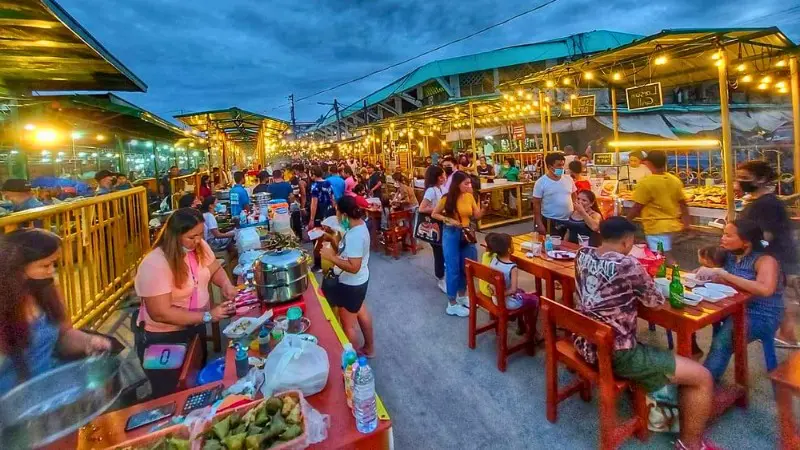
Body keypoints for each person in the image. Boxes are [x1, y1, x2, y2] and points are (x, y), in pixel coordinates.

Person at [574, 217, 715, 450]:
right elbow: (655, 301)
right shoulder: (627, 264)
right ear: (628, 241)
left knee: (651, 352)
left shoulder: (583, 254)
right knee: (702, 377)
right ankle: (691, 444)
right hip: (616, 353)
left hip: (585, 341)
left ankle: (659, 404)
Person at [134, 208, 237, 398]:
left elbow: (214, 269)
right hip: (164, 339)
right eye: (192, 237)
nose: (198, 240)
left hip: (193, 327)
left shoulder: (198, 247)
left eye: (200, 234)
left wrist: (226, 285)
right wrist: (207, 316)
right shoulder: (155, 264)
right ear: (175, 236)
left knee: (194, 378)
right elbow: (160, 312)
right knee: (171, 392)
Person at [0, 229, 112, 396]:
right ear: (17, 268)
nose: (52, 271)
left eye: (54, 264)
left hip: (53, 383)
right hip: (13, 398)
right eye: (45, 265)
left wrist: (88, 341)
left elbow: (63, 336)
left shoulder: (48, 290)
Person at [698, 220, 783, 381]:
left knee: (722, 342)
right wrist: (707, 271)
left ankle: (701, 386)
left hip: (762, 314)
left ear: (746, 242)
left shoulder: (764, 260)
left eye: (728, 235)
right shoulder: (730, 256)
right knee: (692, 318)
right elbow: (712, 268)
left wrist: (725, 275)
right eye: (723, 234)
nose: (722, 238)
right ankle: (696, 364)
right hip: (733, 307)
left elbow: (765, 289)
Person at [736, 160, 799, 348]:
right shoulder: (760, 201)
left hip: (778, 258)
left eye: (745, 178)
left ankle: (788, 337)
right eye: (739, 177)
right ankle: (787, 335)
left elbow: (766, 235)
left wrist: (752, 248)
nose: (740, 181)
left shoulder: (765, 204)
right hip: (781, 257)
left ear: (762, 179)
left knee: (783, 299)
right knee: (784, 298)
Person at [320, 196, 374, 357]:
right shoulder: (355, 227)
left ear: (344, 214)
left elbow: (353, 266)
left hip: (352, 284)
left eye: (337, 212)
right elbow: (345, 253)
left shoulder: (356, 235)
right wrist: (332, 239)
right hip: (358, 282)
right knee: (361, 312)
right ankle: (369, 349)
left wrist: (331, 257)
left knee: (348, 325)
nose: (336, 216)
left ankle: (355, 362)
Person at [432, 171, 487, 317]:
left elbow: (476, 215)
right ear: (457, 184)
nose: (469, 186)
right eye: (466, 183)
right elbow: (435, 213)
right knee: (452, 268)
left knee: (467, 266)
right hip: (451, 233)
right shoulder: (447, 198)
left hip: (466, 233)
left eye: (469, 183)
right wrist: (448, 220)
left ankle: (462, 295)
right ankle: (452, 303)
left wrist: (484, 208)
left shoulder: (469, 197)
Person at [626, 150, 690, 263]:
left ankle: (673, 277)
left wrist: (626, 221)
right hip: (673, 225)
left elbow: (638, 206)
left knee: (661, 257)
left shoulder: (646, 183)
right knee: (665, 254)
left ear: (649, 163)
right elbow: (683, 203)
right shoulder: (674, 180)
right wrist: (686, 222)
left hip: (656, 226)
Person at [483, 233, 538, 310]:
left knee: (522, 291)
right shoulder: (512, 267)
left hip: (495, 299)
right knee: (535, 299)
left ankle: (519, 318)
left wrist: (496, 294)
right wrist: (499, 295)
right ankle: (528, 321)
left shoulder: (494, 259)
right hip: (508, 302)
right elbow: (513, 290)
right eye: (512, 244)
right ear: (509, 249)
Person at [532, 152, 576, 237]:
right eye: (559, 165)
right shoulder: (541, 182)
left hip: (569, 220)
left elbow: (574, 196)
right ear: (549, 167)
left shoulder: (569, 179)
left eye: (563, 165)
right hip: (551, 221)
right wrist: (538, 223)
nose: (561, 168)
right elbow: (536, 204)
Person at [420, 166, 447, 293]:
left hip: (443, 222)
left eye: (444, 176)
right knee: (439, 251)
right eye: (441, 176)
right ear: (435, 177)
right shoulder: (431, 191)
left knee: (444, 250)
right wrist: (437, 209)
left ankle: (444, 275)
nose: (443, 178)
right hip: (435, 225)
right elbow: (422, 208)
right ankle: (440, 278)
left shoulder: (442, 188)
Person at [308, 166, 337, 272]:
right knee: (329, 236)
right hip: (329, 213)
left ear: (313, 174)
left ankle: (318, 263)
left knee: (317, 238)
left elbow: (314, 203)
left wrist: (311, 218)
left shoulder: (315, 186)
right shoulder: (328, 183)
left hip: (319, 214)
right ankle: (331, 260)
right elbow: (333, 199)